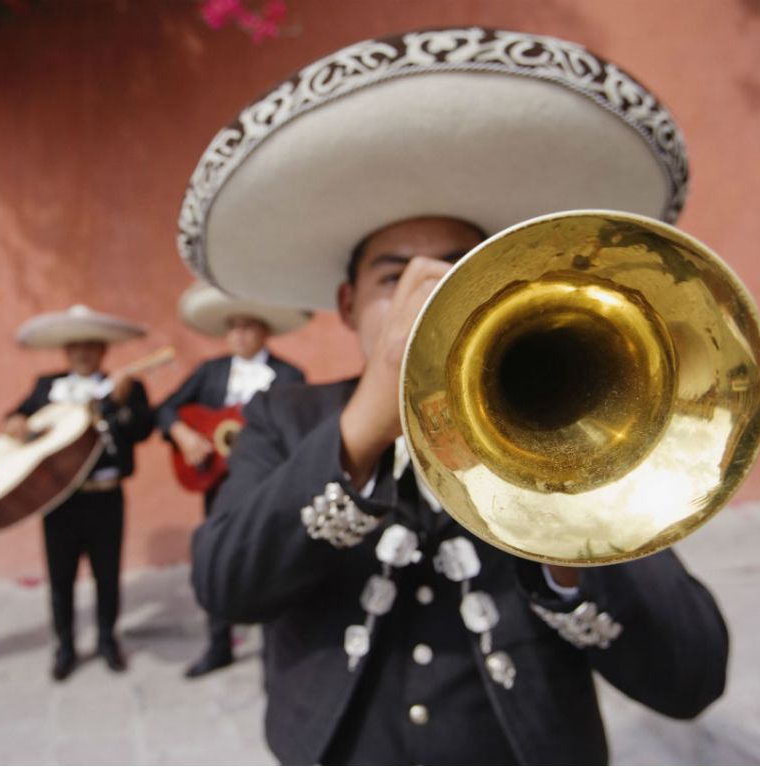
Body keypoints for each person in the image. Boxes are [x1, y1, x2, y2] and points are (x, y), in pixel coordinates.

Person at [177, 28, 730, 764]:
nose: (426, 298)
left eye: (463, 273)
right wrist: (365, 423)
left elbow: (691, 676)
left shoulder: (567, 429)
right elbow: (224, 587)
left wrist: (571, 534)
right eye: (393, 278)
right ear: (345, 304)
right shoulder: (287, 416)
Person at [157, 282, 308, 678]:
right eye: (233, 326)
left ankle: (276, 650)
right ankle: (218, 644)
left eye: (248, 326)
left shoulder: (290, 375)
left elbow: (298, 431)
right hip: (218, 484)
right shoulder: (210, 372)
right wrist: (185, 434)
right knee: (218, 556)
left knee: (275, 557)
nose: (239, 334)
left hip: (270, 485)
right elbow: (167, 409)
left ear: (264, 331)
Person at [6, 304, 155, 681]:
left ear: (103, 350)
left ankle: (107, 638)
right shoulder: (46, 387)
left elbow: (142, 430)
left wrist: (120, 406)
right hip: (60, 498)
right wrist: (15, 423)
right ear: (65, 351)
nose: (83, 353)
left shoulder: (126, 385)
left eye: (91, 346)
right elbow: (15, 416)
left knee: (107, 572)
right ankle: (65, 645)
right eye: (75, 346)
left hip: (105, 495)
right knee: (61, 576)